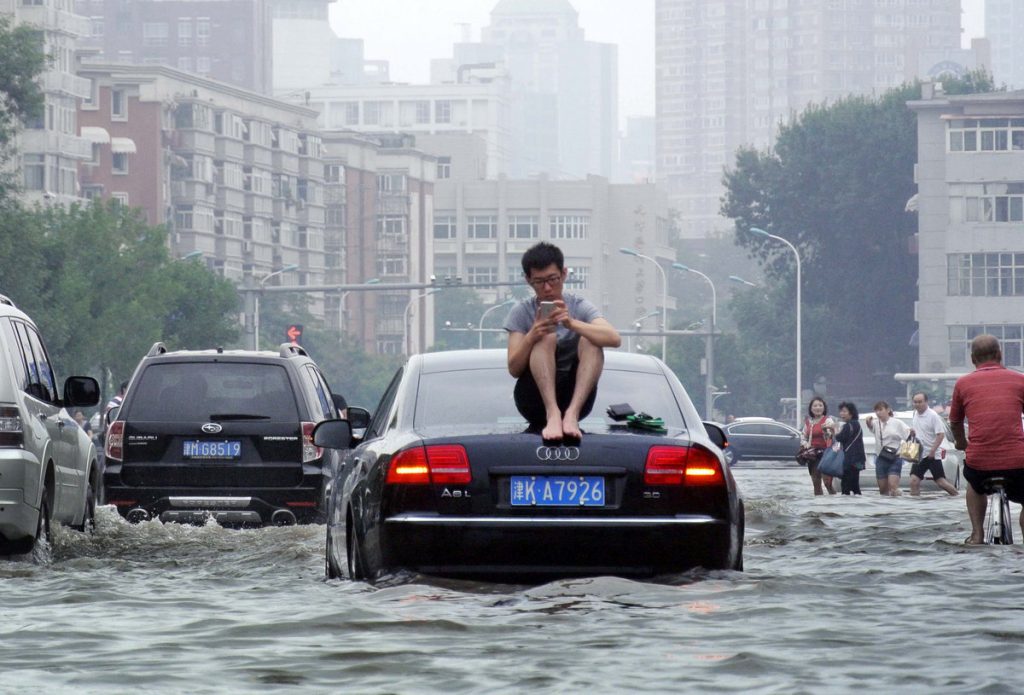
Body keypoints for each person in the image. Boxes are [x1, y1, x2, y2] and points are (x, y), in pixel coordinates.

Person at [504, 242, 621, 440]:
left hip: (574, 400)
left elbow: (614, 338)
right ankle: (553, 414)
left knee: (592, 340)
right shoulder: (521, 312)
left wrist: (571, 323)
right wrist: (532, 334)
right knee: (545, 336)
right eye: (539, 282)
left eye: (553, 279)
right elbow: (514, 368)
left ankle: (570, 415)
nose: (548, 288)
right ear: (528, 280)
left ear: (564, 274)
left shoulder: (579, 306)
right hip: (534, 401)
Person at [948, 334, 1024, 545]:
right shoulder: (1020, 380)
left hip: (980, 464)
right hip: (1019, 463)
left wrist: (961, 443)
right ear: (1000, 355)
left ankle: (977, 534)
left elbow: (955, 422)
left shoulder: (962, 384)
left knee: (974, 484)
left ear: (973, 359)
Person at [908, 391, 958, 496]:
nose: (917, 404)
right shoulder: (915, 414)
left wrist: (932, 451)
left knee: (940, 481)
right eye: (915, 402)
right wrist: (913, 433)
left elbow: (940, 434)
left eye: (920, 402)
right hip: (920, 454)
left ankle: (956, 495)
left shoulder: (933, 416)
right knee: (914, 480)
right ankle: (914, 505)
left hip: (932, 455)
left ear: (926, 402)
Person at [864, 401, 911, 496]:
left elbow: (909, 437)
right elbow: (870, 426)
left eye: (881, 410)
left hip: (895, 457)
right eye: (876, 410)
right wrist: (867, 421)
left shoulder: (897, 423)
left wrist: (906, 454)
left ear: (888, 410)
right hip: (881, 458)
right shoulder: (876, 424)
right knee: (882, 489)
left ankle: (898, 500)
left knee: (893, 486)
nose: (878, 413)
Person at [801, 397, 836, 495]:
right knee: (816, 483)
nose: (818, 408)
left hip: (826, 454)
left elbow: (831, 436)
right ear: (811, 409)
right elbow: (803, 437)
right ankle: (818, 507)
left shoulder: (828, 420)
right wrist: (806, 445)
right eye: (815, 406)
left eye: (820, 405)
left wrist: (826, 430)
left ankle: (835, 504)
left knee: (827, 483)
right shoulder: (808, 422)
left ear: (824, 408)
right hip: (812, 454)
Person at [834, 401, 865, 495]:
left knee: (845, 486)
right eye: (841, 411)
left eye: (844, 411)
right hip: (859, 460)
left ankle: (846, 507)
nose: (842, 414)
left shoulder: (848, 425)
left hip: (850, 460)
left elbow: (839, 438)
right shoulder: (857, 424)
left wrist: (835, 429)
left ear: (851, 413)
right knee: (855, 486)